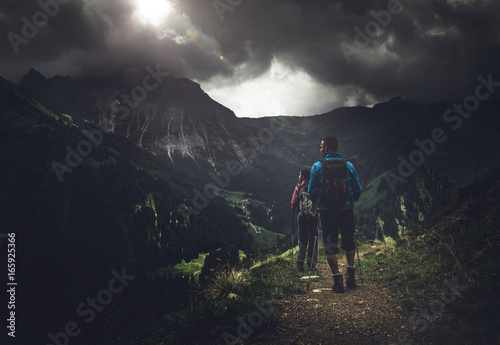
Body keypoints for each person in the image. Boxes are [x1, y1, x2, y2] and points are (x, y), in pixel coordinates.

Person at [308, 136, 362, 292]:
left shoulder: (317, 166)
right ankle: (350, 276)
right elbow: (357, 189)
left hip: (327, 211)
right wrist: (351, 200)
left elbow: (311, 191)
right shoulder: (348, 165)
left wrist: (318, 202)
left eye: (321, 147)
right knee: (349, 242)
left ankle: (337, 280)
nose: (320, 149)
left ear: (325, 148)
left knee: (330, 246)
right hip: (345, 209)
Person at [291, 168, 319, 272]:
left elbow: (293, 203)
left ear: (303, 176)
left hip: (302, 216)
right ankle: (311, 264)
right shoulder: (314, 187)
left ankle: (300, 261)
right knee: (313, 239)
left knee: (302, 239)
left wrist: (295, 211)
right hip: (312, 217)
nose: (298, 176)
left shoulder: (298, 187)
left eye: (300, 174)